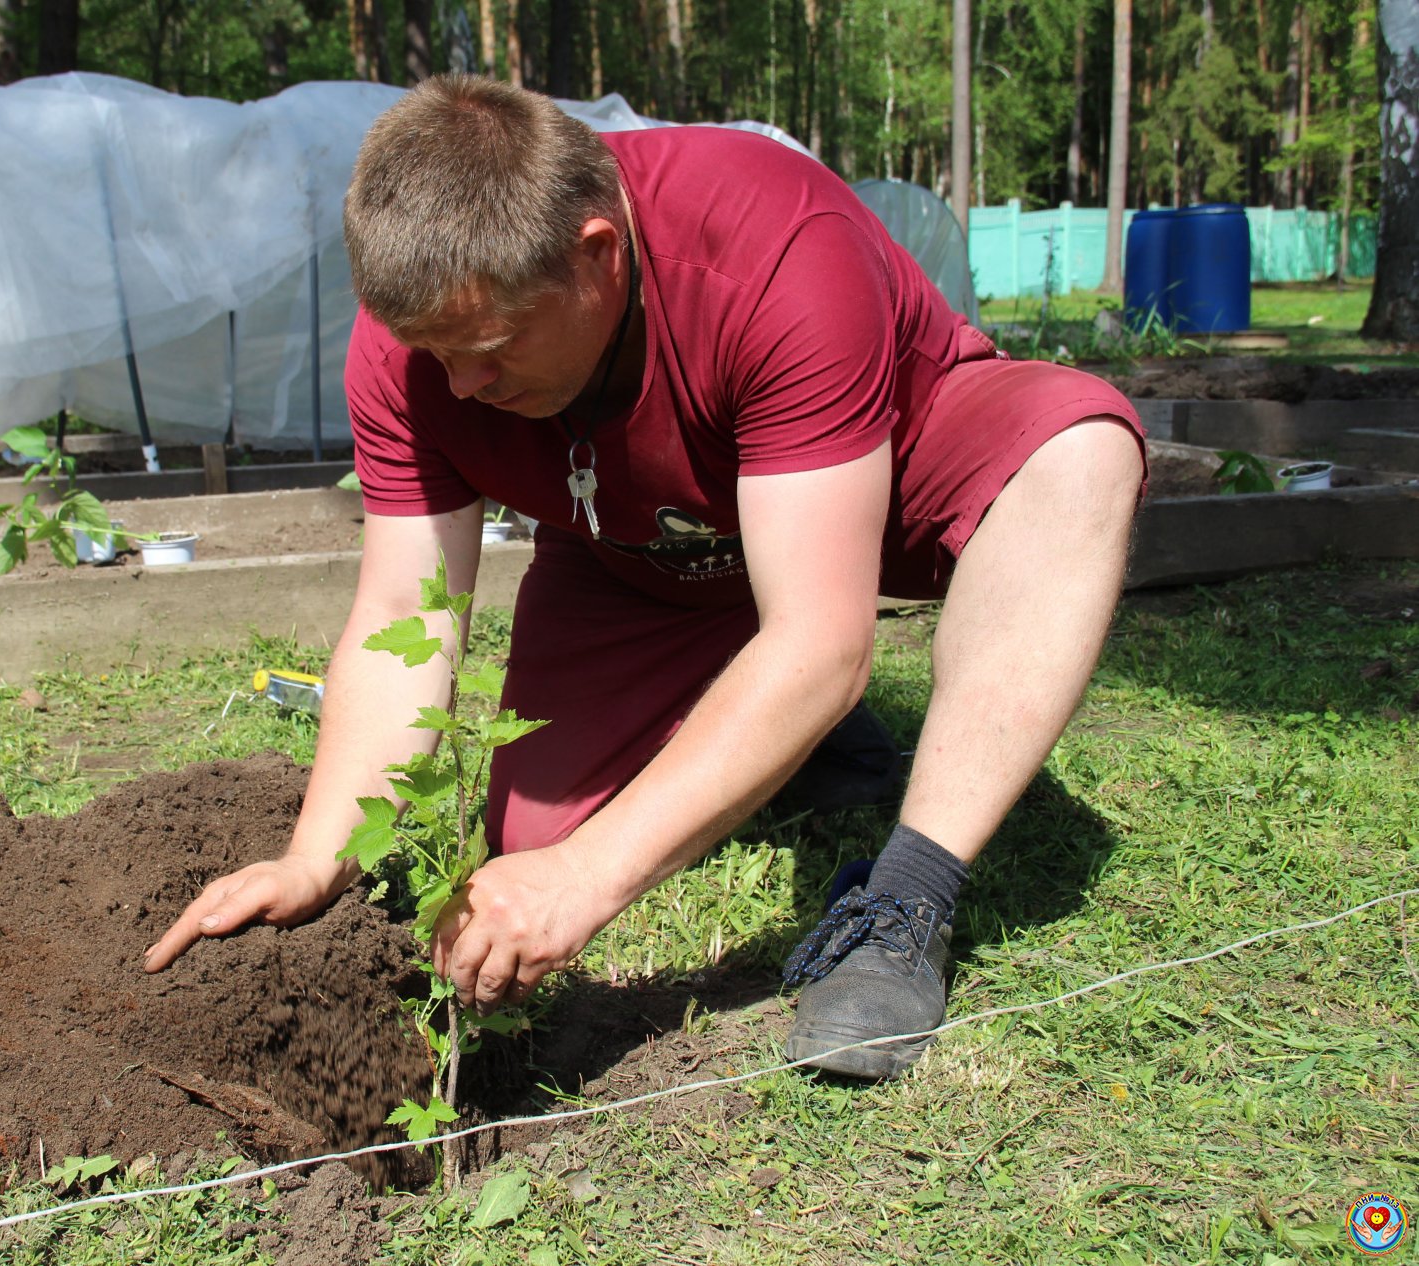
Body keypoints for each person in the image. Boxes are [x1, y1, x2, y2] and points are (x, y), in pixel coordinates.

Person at [144, 74, 1145, 1082]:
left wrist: (582, 881)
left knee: (1079, 454)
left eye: (488, 352)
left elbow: (823, 642)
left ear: (597, 255)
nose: (459, 388)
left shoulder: (773, 249)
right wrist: (318, 853)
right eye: (435, 355)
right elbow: (404, 610)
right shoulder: (419, 346)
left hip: (876, 485)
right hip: (639, 553)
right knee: (529, 834)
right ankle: (795, 742)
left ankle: (902, 903)